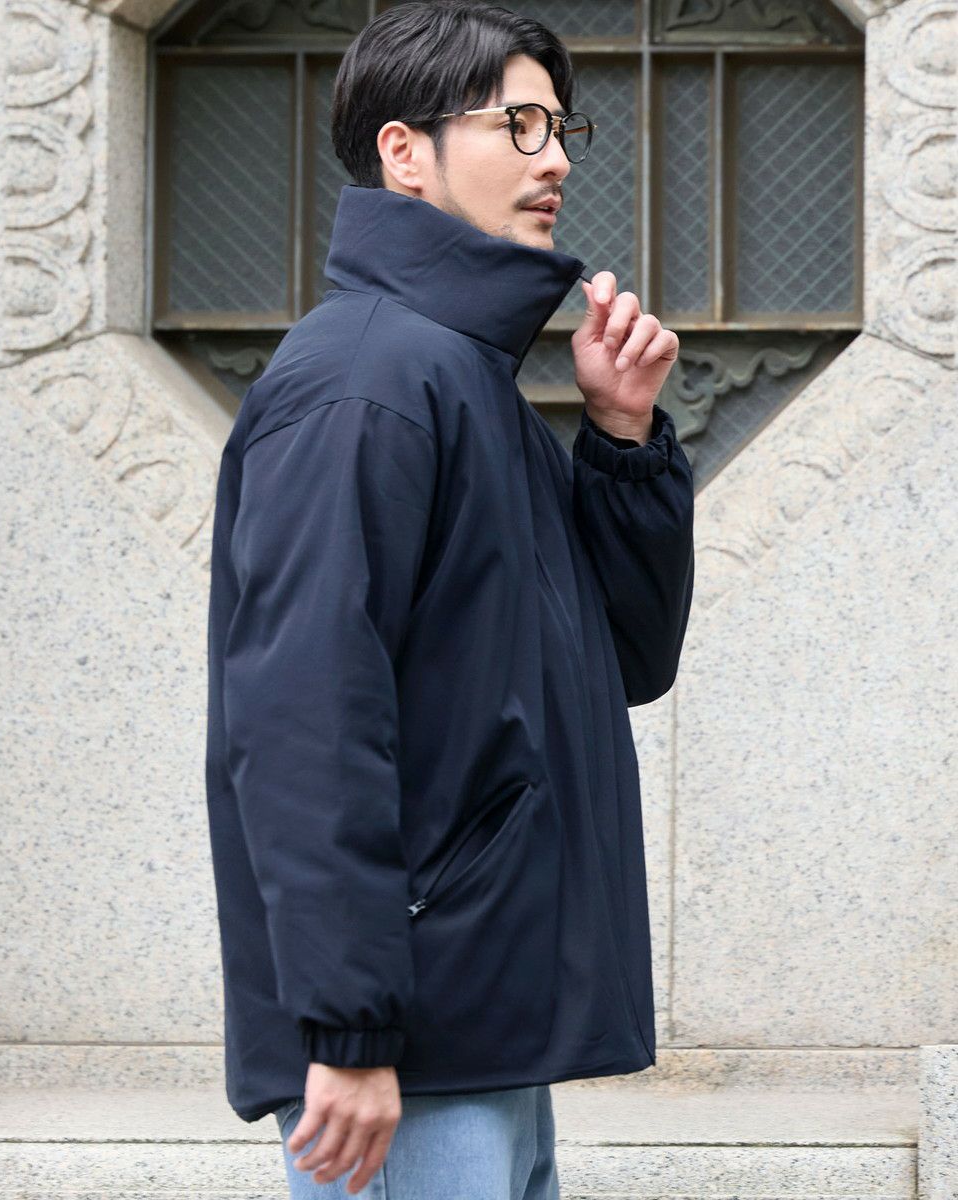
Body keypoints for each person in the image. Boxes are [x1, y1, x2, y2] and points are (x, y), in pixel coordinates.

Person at [203, 1, 695, 1196]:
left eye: (560, 127)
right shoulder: (365, 381)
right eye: (517, 124)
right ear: (404, 152)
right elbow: (304, 720)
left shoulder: (463, 380)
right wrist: (349, 1028)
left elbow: (624, 662)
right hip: (401, 1046)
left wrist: (621, 438)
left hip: (478, 1027)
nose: (556, 157)